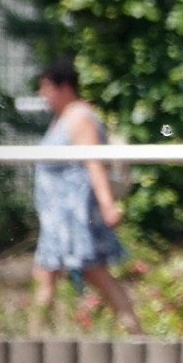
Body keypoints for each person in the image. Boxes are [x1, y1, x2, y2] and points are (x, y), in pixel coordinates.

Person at [30, 58, 144, 336]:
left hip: (76, 216)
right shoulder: (63, 118)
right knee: (57, 273)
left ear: (65, 86)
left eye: (47, 87)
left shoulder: (79, 117)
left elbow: (94, 162)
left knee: (79, 273)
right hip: (59, 219)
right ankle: (30, 342)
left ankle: (138, 336)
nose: (43, 94)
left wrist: (107, 204)